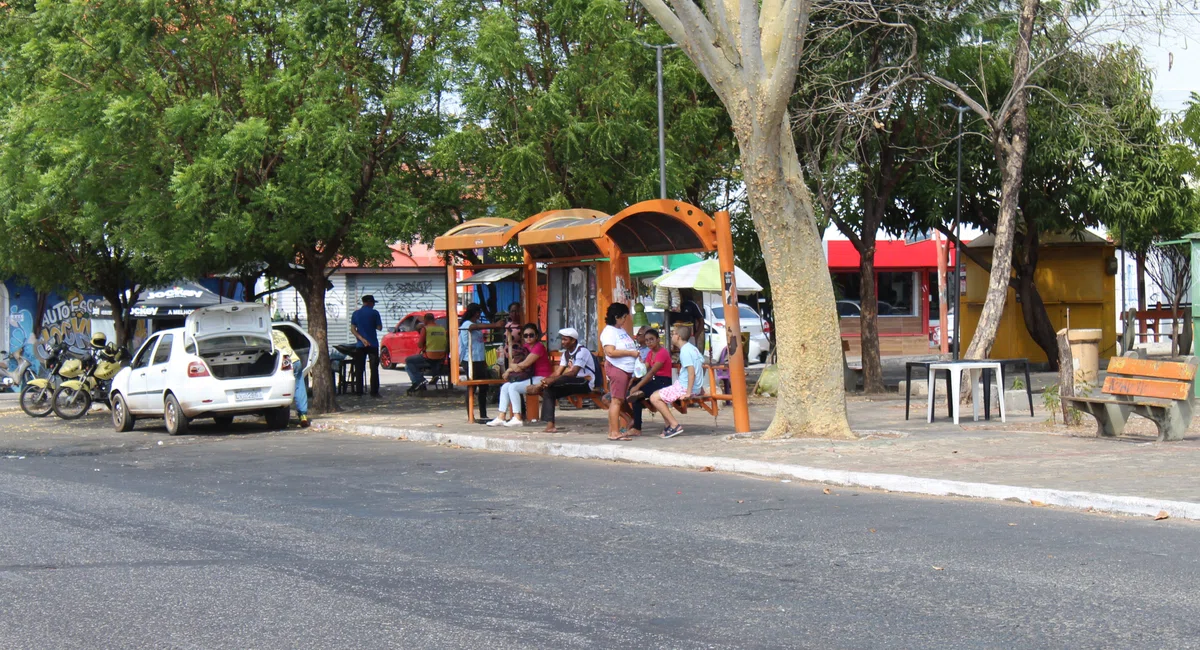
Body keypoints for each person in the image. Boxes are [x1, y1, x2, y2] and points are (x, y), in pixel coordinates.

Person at [530, 328, 595, 433]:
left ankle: (541, 389)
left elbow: (573, 372)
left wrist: (552, 380)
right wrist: (545, 381)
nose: (562, 342)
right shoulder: (566, 354)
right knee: (549, 390)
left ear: (573, 340)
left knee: (557, 381)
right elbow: (557, 373)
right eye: (562, 339)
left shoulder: (582, 351)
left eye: (565, 340)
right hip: (572, 382)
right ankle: (550, 425)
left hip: (586, 382)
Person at [487, 324, 553, 427]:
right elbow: (517, 363)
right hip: (531, 377)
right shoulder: (525, 347)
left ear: (536, 336)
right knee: (505, 387)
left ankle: (517, 417)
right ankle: (501, 416)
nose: (528, 338)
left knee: (513, 387)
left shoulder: (538, 347)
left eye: (531, 335)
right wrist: (510, 369)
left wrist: (511, 369)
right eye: (526, 335)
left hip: (542, 377)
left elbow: (524, 364)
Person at [649, 325, 706, 438]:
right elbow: (701, 365)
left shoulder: (685, 351)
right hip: (690, 386)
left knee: (654, 398)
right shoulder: (693, 348)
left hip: (684, 387)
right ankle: (668, 425)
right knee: (660, 394)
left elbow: (691, 371)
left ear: (678, 336)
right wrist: (700, 386)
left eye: (673, 334)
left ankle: (674, 425)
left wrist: (688, 392)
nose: (672, 336)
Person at [600, 303, 639, 441]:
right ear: (616, 317)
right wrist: (630, 353)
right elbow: (610, 352)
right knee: (616, 401)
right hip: (618, 369)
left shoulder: (620, 330)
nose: (625, 320)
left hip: (626, 369)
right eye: (623, 317)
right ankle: (614, 432)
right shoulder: (609, 332)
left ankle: (621, 426)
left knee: (619, 400)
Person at [626, 329, 673, 437]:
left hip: (663, 382)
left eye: (651, 339)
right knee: (634, 393)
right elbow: (644, 370)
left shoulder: (662, 353)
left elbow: (651, 372)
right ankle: (637, 427)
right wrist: (634, 379)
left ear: (658, 339)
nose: (649, 342)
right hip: (654, 380)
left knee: (636, 391)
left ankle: (638, 426)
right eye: (647, 340)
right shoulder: (650, 353)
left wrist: (637, 386)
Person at [272, 328, 309, 428]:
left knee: (283, 389)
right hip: (295, 360)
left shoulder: (263, 335)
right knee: (299, 387)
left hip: (284, 363)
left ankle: (283, 417)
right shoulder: (279, 332)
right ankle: (303, 416)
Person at [459, 303, 490, 421]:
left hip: (479, 359)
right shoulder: (467, 324)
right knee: (472, 386)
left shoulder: (475, 325)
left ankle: (483, 414)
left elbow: (479, 345)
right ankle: (470, 415)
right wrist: (494, 325)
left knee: (484, 386)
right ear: (476, 313)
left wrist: (484, 360)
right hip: (470, 359)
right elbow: (472, 328)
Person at [405, 313, 448, 395]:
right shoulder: (442, 329)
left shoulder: (426, 329)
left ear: (426, 320)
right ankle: (419, 383)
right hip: (440, 358)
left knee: (408, 361)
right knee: (408, 367)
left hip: (429, 358)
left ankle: (420, 380)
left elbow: (420, 345)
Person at [350, 294, 383, 398]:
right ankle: (374, 392)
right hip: (373, 344)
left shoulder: (356, 313)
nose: (373, 305)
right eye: (373, 303)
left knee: (359, 369)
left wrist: (362, 339)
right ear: (370, 303)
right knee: (374, 368)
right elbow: (379, 327)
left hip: (360, 344)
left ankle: (359, 391)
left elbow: (352, 329)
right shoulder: (374, 313)